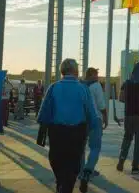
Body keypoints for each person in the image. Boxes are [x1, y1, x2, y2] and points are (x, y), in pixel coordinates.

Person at [37, 59, 98, 193]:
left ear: (62, 71)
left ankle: (61, 184)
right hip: (77, 133)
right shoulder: (83, 89)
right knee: (73, 165)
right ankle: (66, 187)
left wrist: (43, 128)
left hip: (57, 133)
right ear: (76, 71)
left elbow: (43, 113)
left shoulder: (53, 87)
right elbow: (92, 114)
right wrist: (94, 127)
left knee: (57, 162)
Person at [117, 62, 139, 175]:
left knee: (127, 138)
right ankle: (135, 166)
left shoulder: (125, 83)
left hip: (128, 115)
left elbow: (121, 98)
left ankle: (121, 159)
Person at [79, 68, 108, 193]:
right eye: (96, 74)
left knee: (81, 147)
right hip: (95, 119)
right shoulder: (96, 86)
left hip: (82, 120)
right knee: (95, 147)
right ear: (91, 75)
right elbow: (101, 104)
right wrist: (106, 117)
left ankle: (81, 171)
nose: (98, 76)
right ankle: (88, 170)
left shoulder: (80, 86)